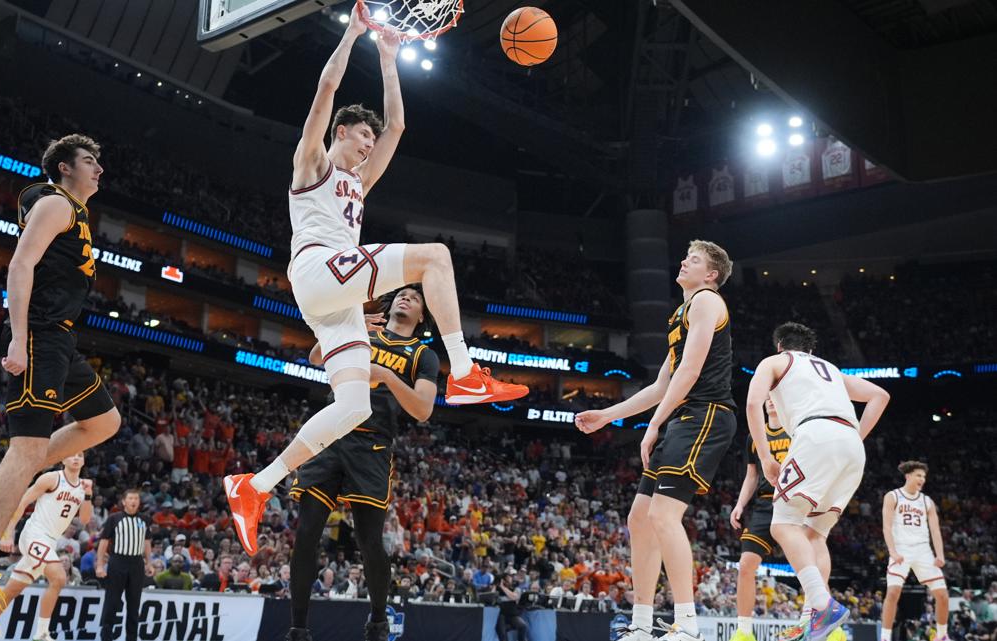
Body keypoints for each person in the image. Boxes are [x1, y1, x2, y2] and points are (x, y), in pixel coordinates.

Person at [223, 4, 528, 555]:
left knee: (357, 406)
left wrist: (388, 58)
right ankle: (463, 371)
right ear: (341, 131)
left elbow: (401, 126)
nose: (369, 144)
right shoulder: (312, 164)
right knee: (434, 257)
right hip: (317, 265)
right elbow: (324, 90)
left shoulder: (358, 185)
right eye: (363, 135)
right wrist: (354, 34)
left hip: (330, 297)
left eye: (371, 139)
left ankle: (254, 485)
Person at [0, 134, 122, 639]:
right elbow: (19, 266)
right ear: (64, 169)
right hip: (38, 333)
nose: (99, 169)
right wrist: (19, 338)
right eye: (90, 160)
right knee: (30, 446)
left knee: (105, 421)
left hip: (61, 339)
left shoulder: (77, 213)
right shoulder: (54, 203)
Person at [575, 240, 737, 641]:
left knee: (664, 516)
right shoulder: (681, 313)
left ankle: (687, 626)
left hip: (706, 414)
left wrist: (653, 426)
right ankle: (643, 625)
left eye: (694, 259)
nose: (684, 262)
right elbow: (660, 385)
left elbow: (690, 373)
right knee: (639, 520)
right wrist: (607, 416)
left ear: (711, 274)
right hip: (684, 415)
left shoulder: (706, 301)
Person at [287, 285, 439, 641]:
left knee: (369, 540)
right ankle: (297, 629)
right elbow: (315, 357)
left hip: (372, 444)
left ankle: (376, 622)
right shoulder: (362, 331)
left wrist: (386, 376)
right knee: (306, 533)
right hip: (332, 434)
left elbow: (423, 410)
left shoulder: (422, 355)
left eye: (414, 299)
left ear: (422, 317)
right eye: (401, 294)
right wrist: (347, 326)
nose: (405, 298)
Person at [745, 322, 891, 641]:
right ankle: (813, 618)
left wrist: (767, 456)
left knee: (782, 525)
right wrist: (855, 437)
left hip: (814, 435)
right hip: (852, 447)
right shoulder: (831, 369)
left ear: (780, 346)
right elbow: (880, 395)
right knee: (814, 534)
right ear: (811, 349)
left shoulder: (776, 362)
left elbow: (753, 403)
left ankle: (823, 605)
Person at [0, 452, 93, 641]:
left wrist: (89, 495)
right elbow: (22, 502)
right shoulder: (51, 478)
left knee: (11, 590)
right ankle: (42, 633)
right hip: (34, 534)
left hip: (50, 541)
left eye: (80, 455)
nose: (75, 458)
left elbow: (84, 520)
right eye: (71, 455)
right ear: (62, 459)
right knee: (58, 578)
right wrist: (8, 533)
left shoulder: (83, 487)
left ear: (83, 460)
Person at [730, 398, 793, 641]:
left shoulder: (795, 430)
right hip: (765, 504)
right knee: (746, 565)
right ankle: (744, 632)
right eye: (765, 398)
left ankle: (815, 622)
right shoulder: (755, 437)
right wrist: (739, 504)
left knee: (807, 564)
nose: (770, 401)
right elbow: (751, 476)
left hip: (793, 501)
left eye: (775, 397)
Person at [881, 461, 949, 641]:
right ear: (908, 476)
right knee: (893, 592)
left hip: (923, 551)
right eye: (919, 475)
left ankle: (942, 636)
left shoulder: (927, 501)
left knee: (942, 595)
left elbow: (935, 530)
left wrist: (940, 554)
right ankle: (885, 637)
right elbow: (886, 527)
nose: (922, 479)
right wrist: (892, 551)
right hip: (901, 549)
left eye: (924, 476)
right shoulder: (893, 496)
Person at [97, 489, 151, 641]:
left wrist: (149, 563)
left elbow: (147, 542)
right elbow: (103, 542)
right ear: (124, 501)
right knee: (111, 603)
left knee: (134, 605)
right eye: (131, 498)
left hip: (137, 563)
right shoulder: (114, 518)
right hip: (117, 562)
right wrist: (100, 565)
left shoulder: (145, 519)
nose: (134, 501)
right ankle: (106, 638)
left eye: (136, 498)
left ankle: (131, 638)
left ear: (139, 502)